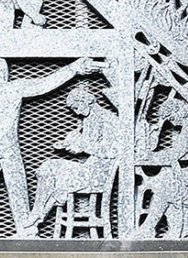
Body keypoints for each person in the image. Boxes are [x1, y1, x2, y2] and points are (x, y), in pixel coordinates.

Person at [0, 57, 92, 238]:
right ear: (5, 73)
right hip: (10, 148)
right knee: (16, 189)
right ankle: (25, 230)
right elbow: (44, 84)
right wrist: (72, 68)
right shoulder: (14, 88)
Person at [24, 88, 118, 235]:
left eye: (76, 107)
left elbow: (112, 151)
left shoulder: (109, 119)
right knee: (48, 167)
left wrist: (82, 147)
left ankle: (35, 217)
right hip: (88, 169)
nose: (76, 112)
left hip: (99, 175)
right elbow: (86, 144)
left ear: (85, 101)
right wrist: (71, 142)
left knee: (50, 169)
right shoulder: (89, 119)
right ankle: (35, 221)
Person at [135, 97, 188, 238]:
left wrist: (149, 156)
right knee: (166, 181)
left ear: (177, 111)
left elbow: (176, 153)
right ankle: (186, 228)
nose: (172, 123)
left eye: (170, 118)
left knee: (166, 184)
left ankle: (150, 227)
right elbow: (183, 154)